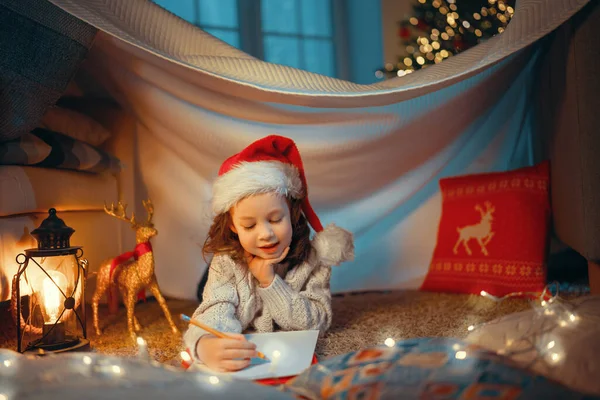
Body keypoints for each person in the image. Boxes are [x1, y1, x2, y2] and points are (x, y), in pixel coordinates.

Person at [183, 135, 354, 372]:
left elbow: (317, 321)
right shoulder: (226, 262)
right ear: (233, 226)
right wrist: (205, 344)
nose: (266, 234)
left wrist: (270, 282)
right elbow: (215, 309)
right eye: (249, 226)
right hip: (227, 273)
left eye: (275, 219)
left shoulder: (313, 259)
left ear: (292, 213)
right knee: (204, 294)